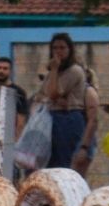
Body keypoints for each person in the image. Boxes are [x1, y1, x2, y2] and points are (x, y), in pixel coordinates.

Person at [38, 32, 94, 171]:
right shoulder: (52, 73)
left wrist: (55, 69)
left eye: (62, 48)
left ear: (70, 50)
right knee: (49, 164)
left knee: (63, 164)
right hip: (51, 117)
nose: (58, 52)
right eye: (55, 48)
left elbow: (52, 93)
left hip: (68, 118)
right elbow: (41, 95)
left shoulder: (74, 71)